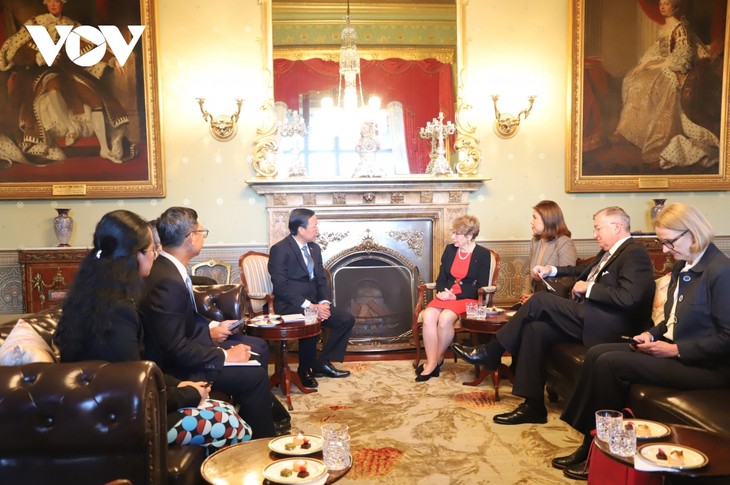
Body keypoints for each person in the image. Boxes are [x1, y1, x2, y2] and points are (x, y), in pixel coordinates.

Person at [555, 202, 730, 480]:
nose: (665, 250)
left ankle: (595, 449)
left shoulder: (720, 271)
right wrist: (651, 334)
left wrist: (675, 349)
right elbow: (671, 319)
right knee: (597, 353)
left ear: (692, 233)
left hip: (705, 366)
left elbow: (727, 338)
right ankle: (592, 443)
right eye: (662, 243)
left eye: (669, 242)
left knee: (610, 363)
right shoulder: (683, 265)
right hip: (673, 349)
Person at [55, 210, 252, 451]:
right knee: (234, 425)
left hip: (111, 408)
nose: (155, 255)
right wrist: (189, 394)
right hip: (122, 423)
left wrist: (178, 385)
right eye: (152, 249)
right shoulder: (116, 311)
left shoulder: (98, 295)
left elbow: (136, 368)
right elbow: (133, 387)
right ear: (135, 255)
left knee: (225, 411)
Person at [451, 206, 656, 425]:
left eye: (598, 228)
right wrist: (552, 270)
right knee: (536, 329)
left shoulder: (634, 253)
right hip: (589, 316)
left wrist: (588, 288)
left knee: (539, 300)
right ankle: (533, 406)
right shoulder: (607, 252)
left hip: (610, 325)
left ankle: (491, 351)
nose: (594, 234)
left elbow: (628, 297)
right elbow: (579, 271)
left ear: (616, 227)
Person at [139, 206, 276, 438]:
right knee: (253, 376)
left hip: (189, 350)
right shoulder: (167, 280)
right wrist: (224, 355)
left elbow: (185, 319)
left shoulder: (169, 268)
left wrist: (213, 328)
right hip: (176, 368)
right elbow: (174, 349)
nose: (203, 237)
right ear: (190, 237)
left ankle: (258, 421)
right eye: (202, 232)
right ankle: (261, 443)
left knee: (254, 353)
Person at [0, 0, 131, 165]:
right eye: (50, 1)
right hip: (40, 71)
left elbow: (92, 47)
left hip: (67, 72)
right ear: (46, 3)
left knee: (95, 98)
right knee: (53, 84)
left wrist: (113, 60)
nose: (53, 5)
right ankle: (70, 128)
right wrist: (39, 56)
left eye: (57, 1)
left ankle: (104, 149)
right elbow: (15, 50)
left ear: (63, 3)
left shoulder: (72, 26)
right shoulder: (35, 23)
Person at [612, 0, 717, 168]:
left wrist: (656, 66)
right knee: (631, 79)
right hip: (660, 63)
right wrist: (642, 65)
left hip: (673, 68)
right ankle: (635, 132)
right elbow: (657, 50)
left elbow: (682, 56)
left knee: (649, 84)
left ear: (674, 6)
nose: (662, 7)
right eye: (661, 3)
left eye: (667, 3)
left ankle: (657, 138)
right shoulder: (663, 27)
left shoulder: (680, 28)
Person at [268, 208, 355, 389]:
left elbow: (321, 279)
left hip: (315, 303)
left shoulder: (314, 249)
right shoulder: (280, 250)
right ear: (301, 229)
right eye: (314, 226)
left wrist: (323, 303)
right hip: (289, 305)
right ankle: (304, 370)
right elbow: (281, 287)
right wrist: (311, 306)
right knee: (311, 318)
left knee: (345, 320)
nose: (317, 230)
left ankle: (321, 362)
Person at [416, 215, 492, 382]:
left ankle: (437, 360)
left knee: (444, 319)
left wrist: (455, 295)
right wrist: (442, 292)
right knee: (428, 315)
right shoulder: (450, 250)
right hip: (446, 296)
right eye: (453, 232)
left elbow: (480, 286)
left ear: (469, 236)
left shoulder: (483, 254)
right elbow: (441, 277)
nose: (452, 237)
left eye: (457, 234)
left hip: (467, 298)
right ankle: (432, 362)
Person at [520, 200, 577, 303]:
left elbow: (566, 279)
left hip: (553, 301)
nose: (531, 222)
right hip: (534, 298)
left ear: (547, 219)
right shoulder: (535, 241)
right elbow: (529, 272)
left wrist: (535, 297)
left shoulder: (564, 242)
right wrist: (526, 295)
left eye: (535, 217)